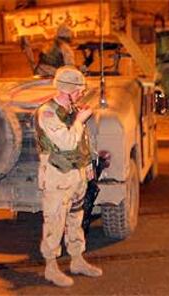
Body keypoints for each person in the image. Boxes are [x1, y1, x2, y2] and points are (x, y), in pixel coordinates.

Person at [35, 66, 102, 287]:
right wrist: (80, 120)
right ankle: (51, 267)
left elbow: (83, 141)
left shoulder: (72, 110)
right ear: (68, 90)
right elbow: (66, 142)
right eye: (79, 90)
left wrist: (88, 163)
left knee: (76, 218)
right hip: (57, 176)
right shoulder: (47, 112)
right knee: (55, 220)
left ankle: (77, 259)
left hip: (77, 175)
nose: (81, 94)